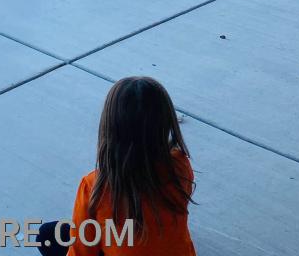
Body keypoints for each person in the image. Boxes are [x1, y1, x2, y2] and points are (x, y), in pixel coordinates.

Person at [37, 77, 196, 256]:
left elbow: (81, 252)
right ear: (166, 122)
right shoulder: (180, 165)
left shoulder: (95, 186)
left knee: (47, 235)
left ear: (110, 129)